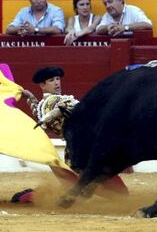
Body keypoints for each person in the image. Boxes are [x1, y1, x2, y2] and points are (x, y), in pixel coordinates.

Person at [10, 66, 129, 203]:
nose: (56, 83)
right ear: (42, 85)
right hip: (86, 150)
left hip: (77, 151)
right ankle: (33, 196)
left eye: (58, 79)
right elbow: (72, 107)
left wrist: (29, 96)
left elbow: (38, 109)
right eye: (51, 80)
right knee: (119, 195)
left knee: (77, 191)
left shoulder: (44, 105)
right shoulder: (56, 101)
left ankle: (33, 196)